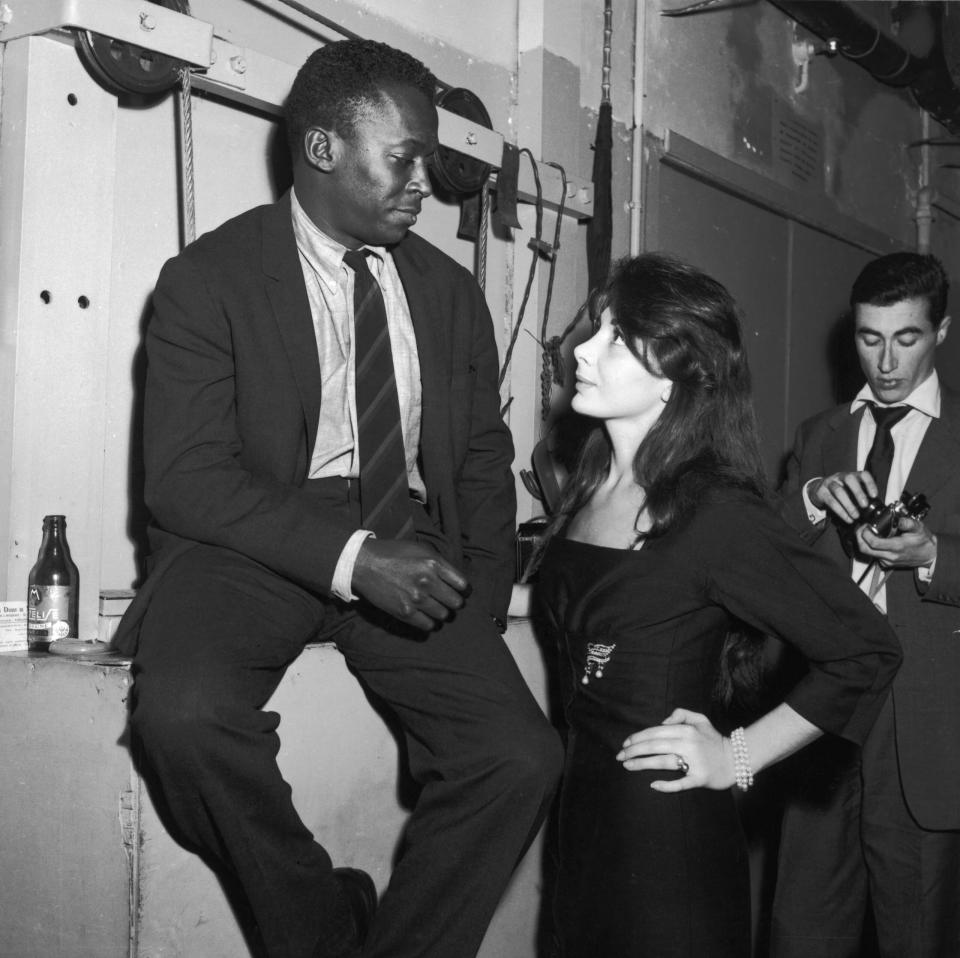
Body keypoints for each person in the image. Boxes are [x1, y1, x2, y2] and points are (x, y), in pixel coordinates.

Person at [112, 39, 562, 958]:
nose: (424, 185)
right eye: (404, 159)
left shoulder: (448, 291)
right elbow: (187, 478)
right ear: (322, 150)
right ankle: (319, 931)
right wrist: (354, 561)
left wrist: (479, 587)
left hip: (410, 528)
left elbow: (481, 454)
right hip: (255, 543)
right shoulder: (208, 280)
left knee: (520, 758)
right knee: (182, 720)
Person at [531, 253, 902, 958]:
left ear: (676, 377)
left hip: (665, 841)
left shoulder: (716, 513)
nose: (583, 350)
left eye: (615, 338)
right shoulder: (588, 482)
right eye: (596, 330)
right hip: (582, 823)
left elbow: (866, 649)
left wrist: (738, 756)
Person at [770, 252, 960, 958]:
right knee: (802, 929)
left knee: (917, 934)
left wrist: (932, 556)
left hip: (925, 731)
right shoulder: (820, 436)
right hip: (821, 712)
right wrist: (814, 498)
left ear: (941, 330)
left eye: (906, 338)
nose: (884, 361)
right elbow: (767, 553)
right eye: (868, 337)